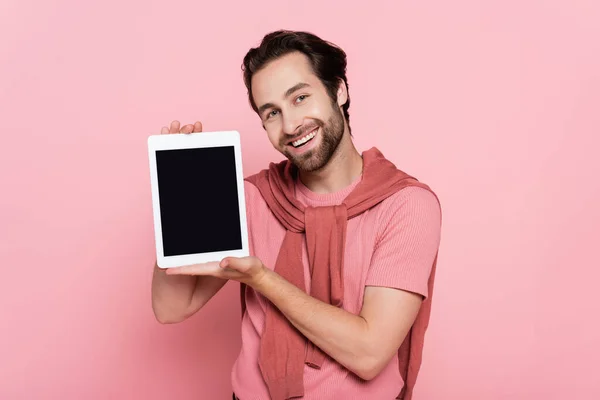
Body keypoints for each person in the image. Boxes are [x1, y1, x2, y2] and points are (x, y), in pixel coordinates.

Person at [151, 30, 442, 400]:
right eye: (272, 113)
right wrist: (176, 200)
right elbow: (171, 308)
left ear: (339, 91)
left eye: (300, 97)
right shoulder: (255, 198)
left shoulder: (406, 205)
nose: (290, 126)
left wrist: (262, 279)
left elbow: (369, 353)